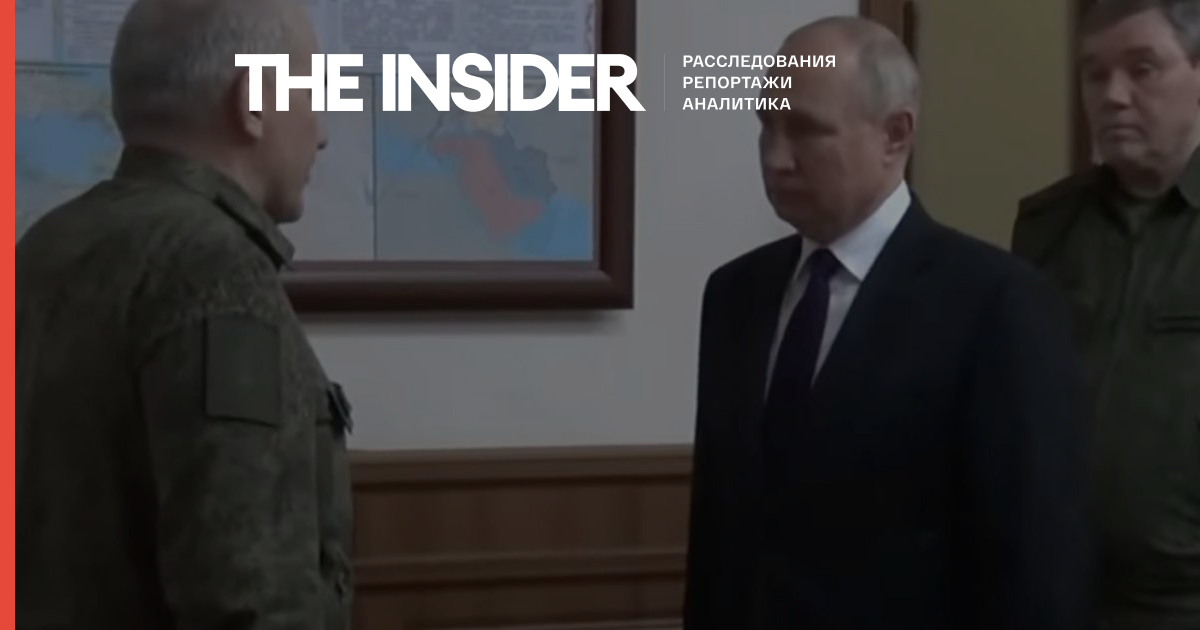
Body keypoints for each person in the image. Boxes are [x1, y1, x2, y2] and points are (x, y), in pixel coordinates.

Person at [683, 16, 1095, 630]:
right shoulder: (734, 294)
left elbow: (1035, 560)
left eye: (806, 130)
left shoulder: (996, 303)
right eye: (767, 125)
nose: (775, 157)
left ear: (895, 134)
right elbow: (720, 529)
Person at [15, 1, 353, 629]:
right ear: (254, 101)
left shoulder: (45, 246)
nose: (322, 132)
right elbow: (247, 595)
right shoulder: (215, 269)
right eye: (312, 93)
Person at [1013, 1, 1200, 628]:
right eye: (1095, 73)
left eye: (1142, 68)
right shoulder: (1046, 227)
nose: (1113, 96)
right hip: (1058, 589)